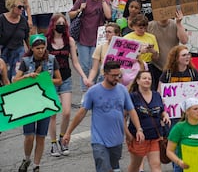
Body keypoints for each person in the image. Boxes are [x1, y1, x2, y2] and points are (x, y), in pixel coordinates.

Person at [62, 61, 145, 172]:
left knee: (114, 168)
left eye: (118, 75)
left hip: (116, 139)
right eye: (113, 75)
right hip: (99, 140)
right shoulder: (93, 92)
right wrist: (68, 132)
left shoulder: (123, 90)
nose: (117, 78)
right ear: (105, 74)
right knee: (104, 167)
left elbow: (131, 110)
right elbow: (81, 113)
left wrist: (139, 129)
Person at [15, 34, 62, 172]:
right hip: (29, 103)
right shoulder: (25, 61)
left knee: (41, 136)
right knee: (29, 136)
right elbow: (15, 81)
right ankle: (27, 158)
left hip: (45, 101)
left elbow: (59, 80)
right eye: (38, 48)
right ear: (32, 48)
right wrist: (27, 76)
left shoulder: (52, 60)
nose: (41, 50)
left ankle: (36, 165)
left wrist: (45, 79)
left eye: (43, 48)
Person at [45, 13, 87, 157]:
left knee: (67, 112)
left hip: (66, 78)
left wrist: (84, 76)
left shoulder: (69, 40)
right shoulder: (46, 41)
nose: (61, 25)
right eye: (59, 23)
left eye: (64, 23)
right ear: (53, 25)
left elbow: (75, 62)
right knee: (52, 114)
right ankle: (53, 143)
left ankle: (63, 138)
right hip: (50, 80)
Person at [69, 0, 111, 93]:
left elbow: (108, 15)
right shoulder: (82, 0)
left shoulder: (104, 1)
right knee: (85, 66)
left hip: (97, 39)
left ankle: (94, 87)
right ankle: (85, 90)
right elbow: (70, 15)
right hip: (83, 37)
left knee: (95, 66)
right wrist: (79, 10)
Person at [126, 70, 170, 172]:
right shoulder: (132, 96)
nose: (147, 80)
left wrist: (165, 115)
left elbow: (161, 109)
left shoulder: (156, 95)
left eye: (149, 79)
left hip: (155, 136)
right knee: (135, 167)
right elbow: (123, 116)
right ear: (138, 81)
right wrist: (128, 134)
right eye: (144, 78)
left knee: (156, 165)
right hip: (139, 138)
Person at [166, 97, 198, 172]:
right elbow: (169, 151)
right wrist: (179, 162)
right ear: (187, 111)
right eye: (195, 109)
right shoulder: (179, 128)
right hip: (184, 168)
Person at [147, 9, 188, 90]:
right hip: (155, 66)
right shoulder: (149, 25)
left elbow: (184, 40)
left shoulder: (175, 24)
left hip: (172, 66)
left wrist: (179, 23)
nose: (163, 13)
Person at [124, 15, 160, 89]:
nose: (143, 30)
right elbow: (124, 57)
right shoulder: (127, 38)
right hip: (133, 67)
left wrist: (153, 51)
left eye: (145, 28)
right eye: (140, 28)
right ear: (133, 26)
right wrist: (140, 51)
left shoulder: (151, 37)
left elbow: (156, 58)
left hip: (148, 66)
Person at [0, 0, 29, 81]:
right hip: (4, 51)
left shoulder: (23, 20)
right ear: (12, 7)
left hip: (19, 51)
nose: (22, 9)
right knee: (5, 77)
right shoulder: (2, 19)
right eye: (19, 7)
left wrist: (30, 52)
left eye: (23, 7)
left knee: (16, 76)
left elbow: (26, 37)